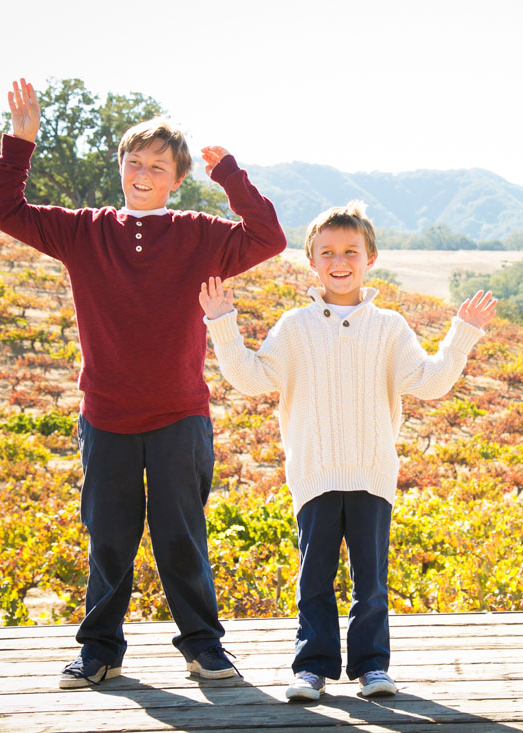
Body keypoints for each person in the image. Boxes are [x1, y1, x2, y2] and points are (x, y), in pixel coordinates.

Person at [0, 78, 287, 689]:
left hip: (181, 415)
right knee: (109, 539)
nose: (143, 173)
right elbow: (4, 211)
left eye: (157, 165)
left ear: (176, 178)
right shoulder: (83, 230)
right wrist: (21, 143)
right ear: (120, 167)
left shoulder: (204, 235)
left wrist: (229, 174)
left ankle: (204, 648)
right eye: (134, 162)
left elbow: (269, 237)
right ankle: (99, 650)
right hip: (106, 416)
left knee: (183, 538)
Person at [199, 201, 495, 701]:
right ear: (311, 261)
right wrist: (222, 322)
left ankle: (372, 667)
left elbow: (431, 383)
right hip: (314, 473)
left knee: (370, 583)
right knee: (313, 579)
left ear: (370, 258)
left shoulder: (390, 327)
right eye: (328, 252)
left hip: (372, 472)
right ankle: (311, 668)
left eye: (350, 251)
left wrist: (463, 333)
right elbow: (250, 378)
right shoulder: (294, 326)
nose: (340, 261)